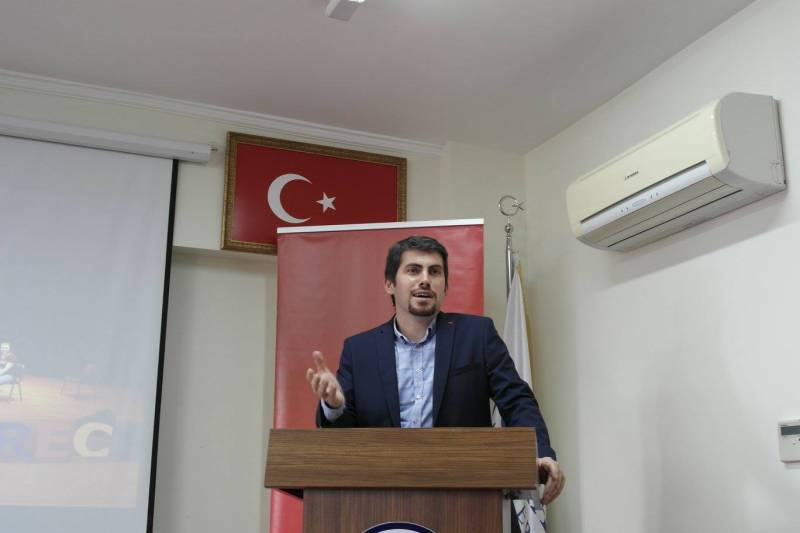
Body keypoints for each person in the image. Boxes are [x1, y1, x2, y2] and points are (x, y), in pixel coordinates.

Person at [305, 235, 565, 504]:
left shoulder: (477, 335)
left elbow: (517, 400)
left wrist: (540, 453)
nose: (425, 280)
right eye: (413, 270)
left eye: (435, 272)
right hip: (380, 500)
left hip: (465, 498)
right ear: (390, 284)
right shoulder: (359, 350)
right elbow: (344, 438)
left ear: (445, 286)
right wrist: (334, 406)